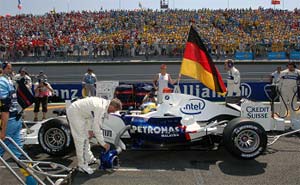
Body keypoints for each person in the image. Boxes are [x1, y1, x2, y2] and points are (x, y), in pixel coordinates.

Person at [0, 62, 37, 185]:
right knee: (18, 154)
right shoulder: (7, 81)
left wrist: (2, 130)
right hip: (15, 120)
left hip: (6, 123)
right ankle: (32, 181)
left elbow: (4, 108)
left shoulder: (1, 82)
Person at [66, 97, 122, 174]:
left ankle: (89, 158)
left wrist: (90, 129)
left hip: (83, 114)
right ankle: (82, 165)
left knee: (86, 138)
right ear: (112, 106)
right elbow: (97, 128)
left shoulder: (104, 104)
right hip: (75, 113)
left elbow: (91, 115)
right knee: (81, 139)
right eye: (114, 110)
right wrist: (103, 144)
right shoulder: (100, 108)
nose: (113, 112)